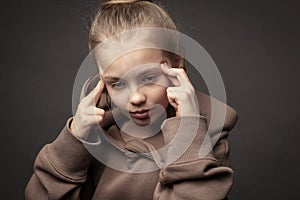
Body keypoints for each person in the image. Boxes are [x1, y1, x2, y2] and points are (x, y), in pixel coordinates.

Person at [25, 0, 238, 199]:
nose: (135, 98)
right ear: (102, 79)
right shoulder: (96, 131)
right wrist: (73, 142)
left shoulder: (208, 131)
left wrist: (188, 132)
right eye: (117, 83)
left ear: (176, 64)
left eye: (148, 77)